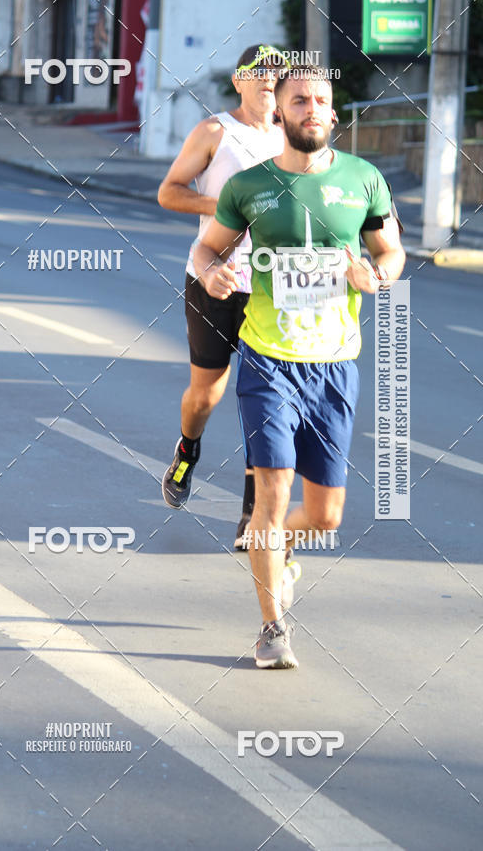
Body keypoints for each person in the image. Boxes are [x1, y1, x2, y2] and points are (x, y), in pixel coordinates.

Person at [194, 66, 405, 668]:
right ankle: (271, 627)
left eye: (321, 101)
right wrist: (212, 272)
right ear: (279, 115)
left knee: (324, 515)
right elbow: (209, 247)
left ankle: (282, 546)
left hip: (335, 366)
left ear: (334, 115)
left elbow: (391, 250)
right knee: (271, 492)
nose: (312, 109)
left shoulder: (364, 181)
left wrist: (379, 275)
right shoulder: (248, 187)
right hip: (268, 362)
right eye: (299, 101)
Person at [158, 45, 286, 548]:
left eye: (276, 74)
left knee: (265, 403)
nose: (267, 82)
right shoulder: (216, 132)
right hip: (213, 277)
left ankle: (253, 516)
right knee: (206, 394)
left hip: (272, 291)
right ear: (239, 81)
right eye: (257, 74)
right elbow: (169, 191)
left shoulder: (294, 137)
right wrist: (227, 205)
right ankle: (188, 448)